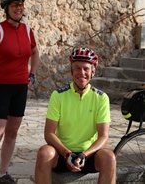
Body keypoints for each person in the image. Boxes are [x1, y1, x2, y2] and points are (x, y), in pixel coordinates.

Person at [0, 0, 39, 184]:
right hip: (1, 87)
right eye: (15, 5)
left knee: (12, 133)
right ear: (7, 9)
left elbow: (35, 53)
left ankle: (3, 174)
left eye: (21, 5)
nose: (19, 8)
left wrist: (33, 74)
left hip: (20, 87)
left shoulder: (28, 30)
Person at [35, 48, 116, 184]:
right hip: (63, 152)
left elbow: (103, 136)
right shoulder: (58, 95)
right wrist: (67, 154)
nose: (82, 73)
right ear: (71, 71)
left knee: (109, 158)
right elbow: (49, 133)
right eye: (77, 68)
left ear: (93, 72)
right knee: (44, 153)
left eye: (86, 69)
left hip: (89, 154)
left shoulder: (101, 98)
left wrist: (84, 155)